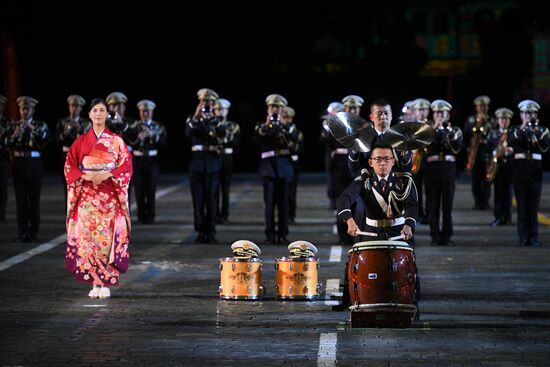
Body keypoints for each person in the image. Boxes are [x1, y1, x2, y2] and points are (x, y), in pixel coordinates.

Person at [335, 142, 419, 311]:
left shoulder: (404, 181)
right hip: (371, 232)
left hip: (398, 231)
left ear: (393, 161)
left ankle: (412, 303)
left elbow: (412, 205)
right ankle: (352, 300)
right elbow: (344, 198)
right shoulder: (363, 181)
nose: (383, 163)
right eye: (378, 159)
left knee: (410, 266)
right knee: (355, 262)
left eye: (387, 159)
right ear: (370, 162)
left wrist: (409, 225)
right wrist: (349, 220)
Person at [64, 98, 133, 299]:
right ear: (90, 114)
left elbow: (126, 166)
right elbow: (70, 165)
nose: (99, 114)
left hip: (108, 196)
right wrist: (84, 175)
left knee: (106, 239)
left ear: (106, 115)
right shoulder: (81, 141)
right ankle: (95, 282)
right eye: (95, 110)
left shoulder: (116, 141)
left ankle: (105, 281)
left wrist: (109, 174)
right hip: (87, 196)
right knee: (88, 239)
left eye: (102, 110)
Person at [2, 96, 50, 242]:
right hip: (19, 163)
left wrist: (31, 128)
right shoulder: (13, 126)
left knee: (34, 200)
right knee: (21, 201)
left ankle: (33, 232)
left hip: (34, 163)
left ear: (33, 110)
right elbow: (5, 142)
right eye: (22, 109)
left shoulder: (40, 125)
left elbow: (45, 139)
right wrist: (15, 134)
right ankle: (22, 232)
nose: (24, 112)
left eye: (27, 109)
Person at [253, 93, 298, 245]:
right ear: (267, 109)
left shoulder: (289, 126)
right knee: (269, 204)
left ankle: (283, 234)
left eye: (277, 107)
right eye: (272, 107)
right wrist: (268, 124)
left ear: (282, 110)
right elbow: (258, 139)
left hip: (284, 168)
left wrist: (280, 125)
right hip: (268, 169)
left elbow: (293, 142)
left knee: (283, 204)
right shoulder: (261, 126)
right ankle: (270, 235)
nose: (274, 110)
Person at [508, 100, 550, 246]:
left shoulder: (543, 130)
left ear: (536, 114)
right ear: (521, 115)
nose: (529, 115)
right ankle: (522, 235)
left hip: (535, 169)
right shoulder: (515, 129)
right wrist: (524, 128)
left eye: (532, 113)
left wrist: (535, 131)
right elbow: (512, 142)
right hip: (520, 168)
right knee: (521, 204)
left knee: (533, 204)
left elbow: (545, 147)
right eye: (526, 113)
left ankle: (534, 236)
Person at [186, 88, 225, 244]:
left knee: (212, 200)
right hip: (197, 164)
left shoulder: (218, 120)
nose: (207, 106)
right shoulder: (193, 119)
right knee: (198, 200)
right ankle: (201, 231)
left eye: (209, 103)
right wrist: (197, 115)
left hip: (213, 164)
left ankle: (211, 231)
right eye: (204, 102)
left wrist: (212, 120)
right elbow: (188, 133)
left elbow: (222, 135)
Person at [425, 99, 463, 246]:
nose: (439, 115)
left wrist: (445, 131)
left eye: (442, 112)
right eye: (437, 112)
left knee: (447, 207)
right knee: (432, 206)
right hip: (432, 170)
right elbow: (426, 145)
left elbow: (456, 148)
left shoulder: (455, 131)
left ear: (448, 114)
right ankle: (435, 236)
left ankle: (447, 236)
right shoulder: (427, 130)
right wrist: (435, 128)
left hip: (448, 170)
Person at [127, 99, 166, 224]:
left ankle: (151, 215)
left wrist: (150, 134)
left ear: (152, 112)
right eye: (143, 111)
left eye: (148, 111)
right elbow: (128, 141)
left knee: (151, 188)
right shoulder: (134, 126)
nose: (145, 114)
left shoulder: (158, 126)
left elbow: (162, 142)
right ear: (139, 112)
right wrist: (138, 137)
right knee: (138, 189)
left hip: (151, 159)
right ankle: (140, 216)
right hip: (137, 159)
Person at [55, 94, 92, 202]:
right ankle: (69, 215)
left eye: (76, 106)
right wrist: (65, 132)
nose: (74, 109)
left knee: (82, 187)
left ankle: (81, 216)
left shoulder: (86, 123)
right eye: (72, 106)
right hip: (67, 155)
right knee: (68, 186)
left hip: (81, 158)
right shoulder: (62, 122)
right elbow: (57, 140)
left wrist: (80, 129)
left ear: (81, 108)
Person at [464, 95, 493, 210]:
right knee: (476, 179)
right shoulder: (471, 120)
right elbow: (466, 135)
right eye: (479, 106)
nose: (481, 108)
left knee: (487, 178)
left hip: (487, 152)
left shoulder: (492, 120)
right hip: (475, 153)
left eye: (484, 106)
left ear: (487, 107)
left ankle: (485, 202)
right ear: (476, 107)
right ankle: (477, 202)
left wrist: (487, 124)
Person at [486, 108, 514, 227]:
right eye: (501, 119)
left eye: (506, 119)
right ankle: (498, 217)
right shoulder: (493, 133)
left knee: (508, 193)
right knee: (498, 193)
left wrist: (509, 151)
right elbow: (486, 150)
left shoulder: (513, 133)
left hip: (509, 166)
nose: (503, 121)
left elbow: (517, 148)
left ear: (509, 120)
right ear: (498, 120)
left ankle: (507, 218)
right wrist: (494, 153)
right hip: (497, 166)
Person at [214, 98, 240, 224]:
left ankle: (224, 214)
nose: (219, 112)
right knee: (213, 189)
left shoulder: (233, 126)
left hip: (227, 158)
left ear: (227, 111)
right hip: (214, 156)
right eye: (217, 109)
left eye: (222, 109)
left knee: (225, 189)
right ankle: (214, 214)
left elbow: (234, 142)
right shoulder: (211, 124)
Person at [410, 98, 432, 224]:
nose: (422, 112)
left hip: (429, 163)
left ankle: (429, 215)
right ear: (414, 112)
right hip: (415, 162)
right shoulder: (410, 126)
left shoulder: (432, 125)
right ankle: (417, 215)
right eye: (419, 110)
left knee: (430, 191)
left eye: (424, 109)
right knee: (416, 191)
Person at [319, 101, 344, 210]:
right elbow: (322, 141)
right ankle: (333, 201)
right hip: (331, 156)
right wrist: (327, 129)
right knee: (331, 179)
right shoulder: (327, 124)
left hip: (343, 156)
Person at [283, 106, 303, 224]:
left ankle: (291, 214)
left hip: (293, 163)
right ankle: (285, 215)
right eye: (285, 117)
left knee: (292, 191)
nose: (288, 120)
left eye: (289, 118)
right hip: (284, 162)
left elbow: (300, 149)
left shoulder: (296, 132)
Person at [0, 95, 10, 222]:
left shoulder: (7, 122)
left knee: (2, 187)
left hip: (2, 156)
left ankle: (1, 213)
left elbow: (10, 138)